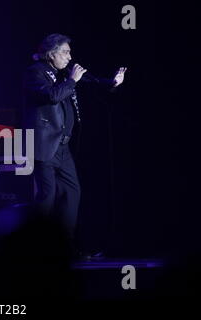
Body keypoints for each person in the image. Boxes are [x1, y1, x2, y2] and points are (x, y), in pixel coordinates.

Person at [23, 33, 126, 255]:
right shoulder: (35, 72)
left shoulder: (62, 74)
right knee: (46, 196)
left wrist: (113, 83)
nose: (70, 57)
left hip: (62, 146)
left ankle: (66, 247)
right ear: (52, 53)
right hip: (43, 145)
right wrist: (71, 81)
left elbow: (91, 81)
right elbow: (50, 96)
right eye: (65, 52)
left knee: (72, 192)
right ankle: (34, 247)